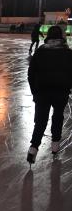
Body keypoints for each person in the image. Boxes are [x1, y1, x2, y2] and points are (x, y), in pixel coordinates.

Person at [27, 26, 72, 165]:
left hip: (42, 92)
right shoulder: (68, 53)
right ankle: (55, 145)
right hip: (61, 92)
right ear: (61, 37)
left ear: (48, 37)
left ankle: (33, 148)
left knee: (40, 120)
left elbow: (31, 74)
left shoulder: (40, 52)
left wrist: (35, 91)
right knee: (58, 116)